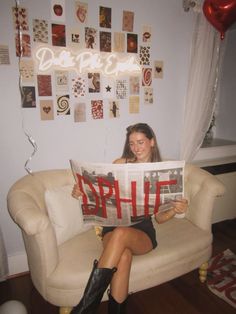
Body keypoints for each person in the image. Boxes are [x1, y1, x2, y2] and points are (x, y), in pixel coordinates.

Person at [71, 123, 188, 314]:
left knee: (122, 233)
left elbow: (159, 218)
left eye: (140, 142)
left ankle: (84, 309)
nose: (136, 148)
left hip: (142, 233)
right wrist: (81, 191)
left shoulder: (161, 171)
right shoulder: (120, 164)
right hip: (113, 228)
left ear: (152, 142)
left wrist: (175, 210)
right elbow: (101, 195)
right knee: (123, 255)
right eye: (132, 143)